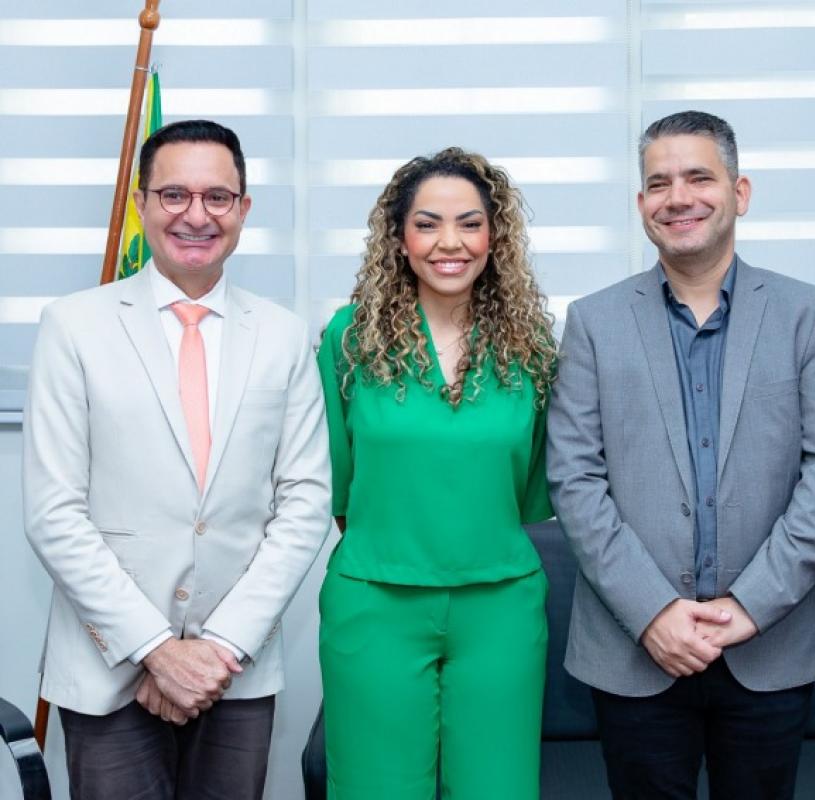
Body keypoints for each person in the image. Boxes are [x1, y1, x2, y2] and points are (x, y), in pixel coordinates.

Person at [547, 110, 815, 799]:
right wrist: (653, 611)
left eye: (699, 177)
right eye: (659, 184)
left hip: (773, 642)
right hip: (635, 648)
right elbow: (574, 478)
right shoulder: (594, 322)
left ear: (739, 192)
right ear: (641, 205)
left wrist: (750, 606)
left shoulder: (807, 313)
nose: (678, 197)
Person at [22, 119, 332, 799]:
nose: (197, 215)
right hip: (109, 668)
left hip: (235, 670)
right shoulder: (74, 326)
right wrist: (157, 650)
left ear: (243, 209)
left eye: (217, 197)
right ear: (141, 204)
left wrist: (219, 647)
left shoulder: (282, 336)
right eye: (174, 195)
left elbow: (305, 505)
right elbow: (54, 513)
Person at [317, 147, 557, 799]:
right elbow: (338, 486)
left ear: (494, 237)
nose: (450, 242)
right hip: (375, 602)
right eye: (427, 224)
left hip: (501, 607)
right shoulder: (348, 340)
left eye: (470, 223)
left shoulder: (533, 349)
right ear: (399, 238)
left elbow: (530, 489)